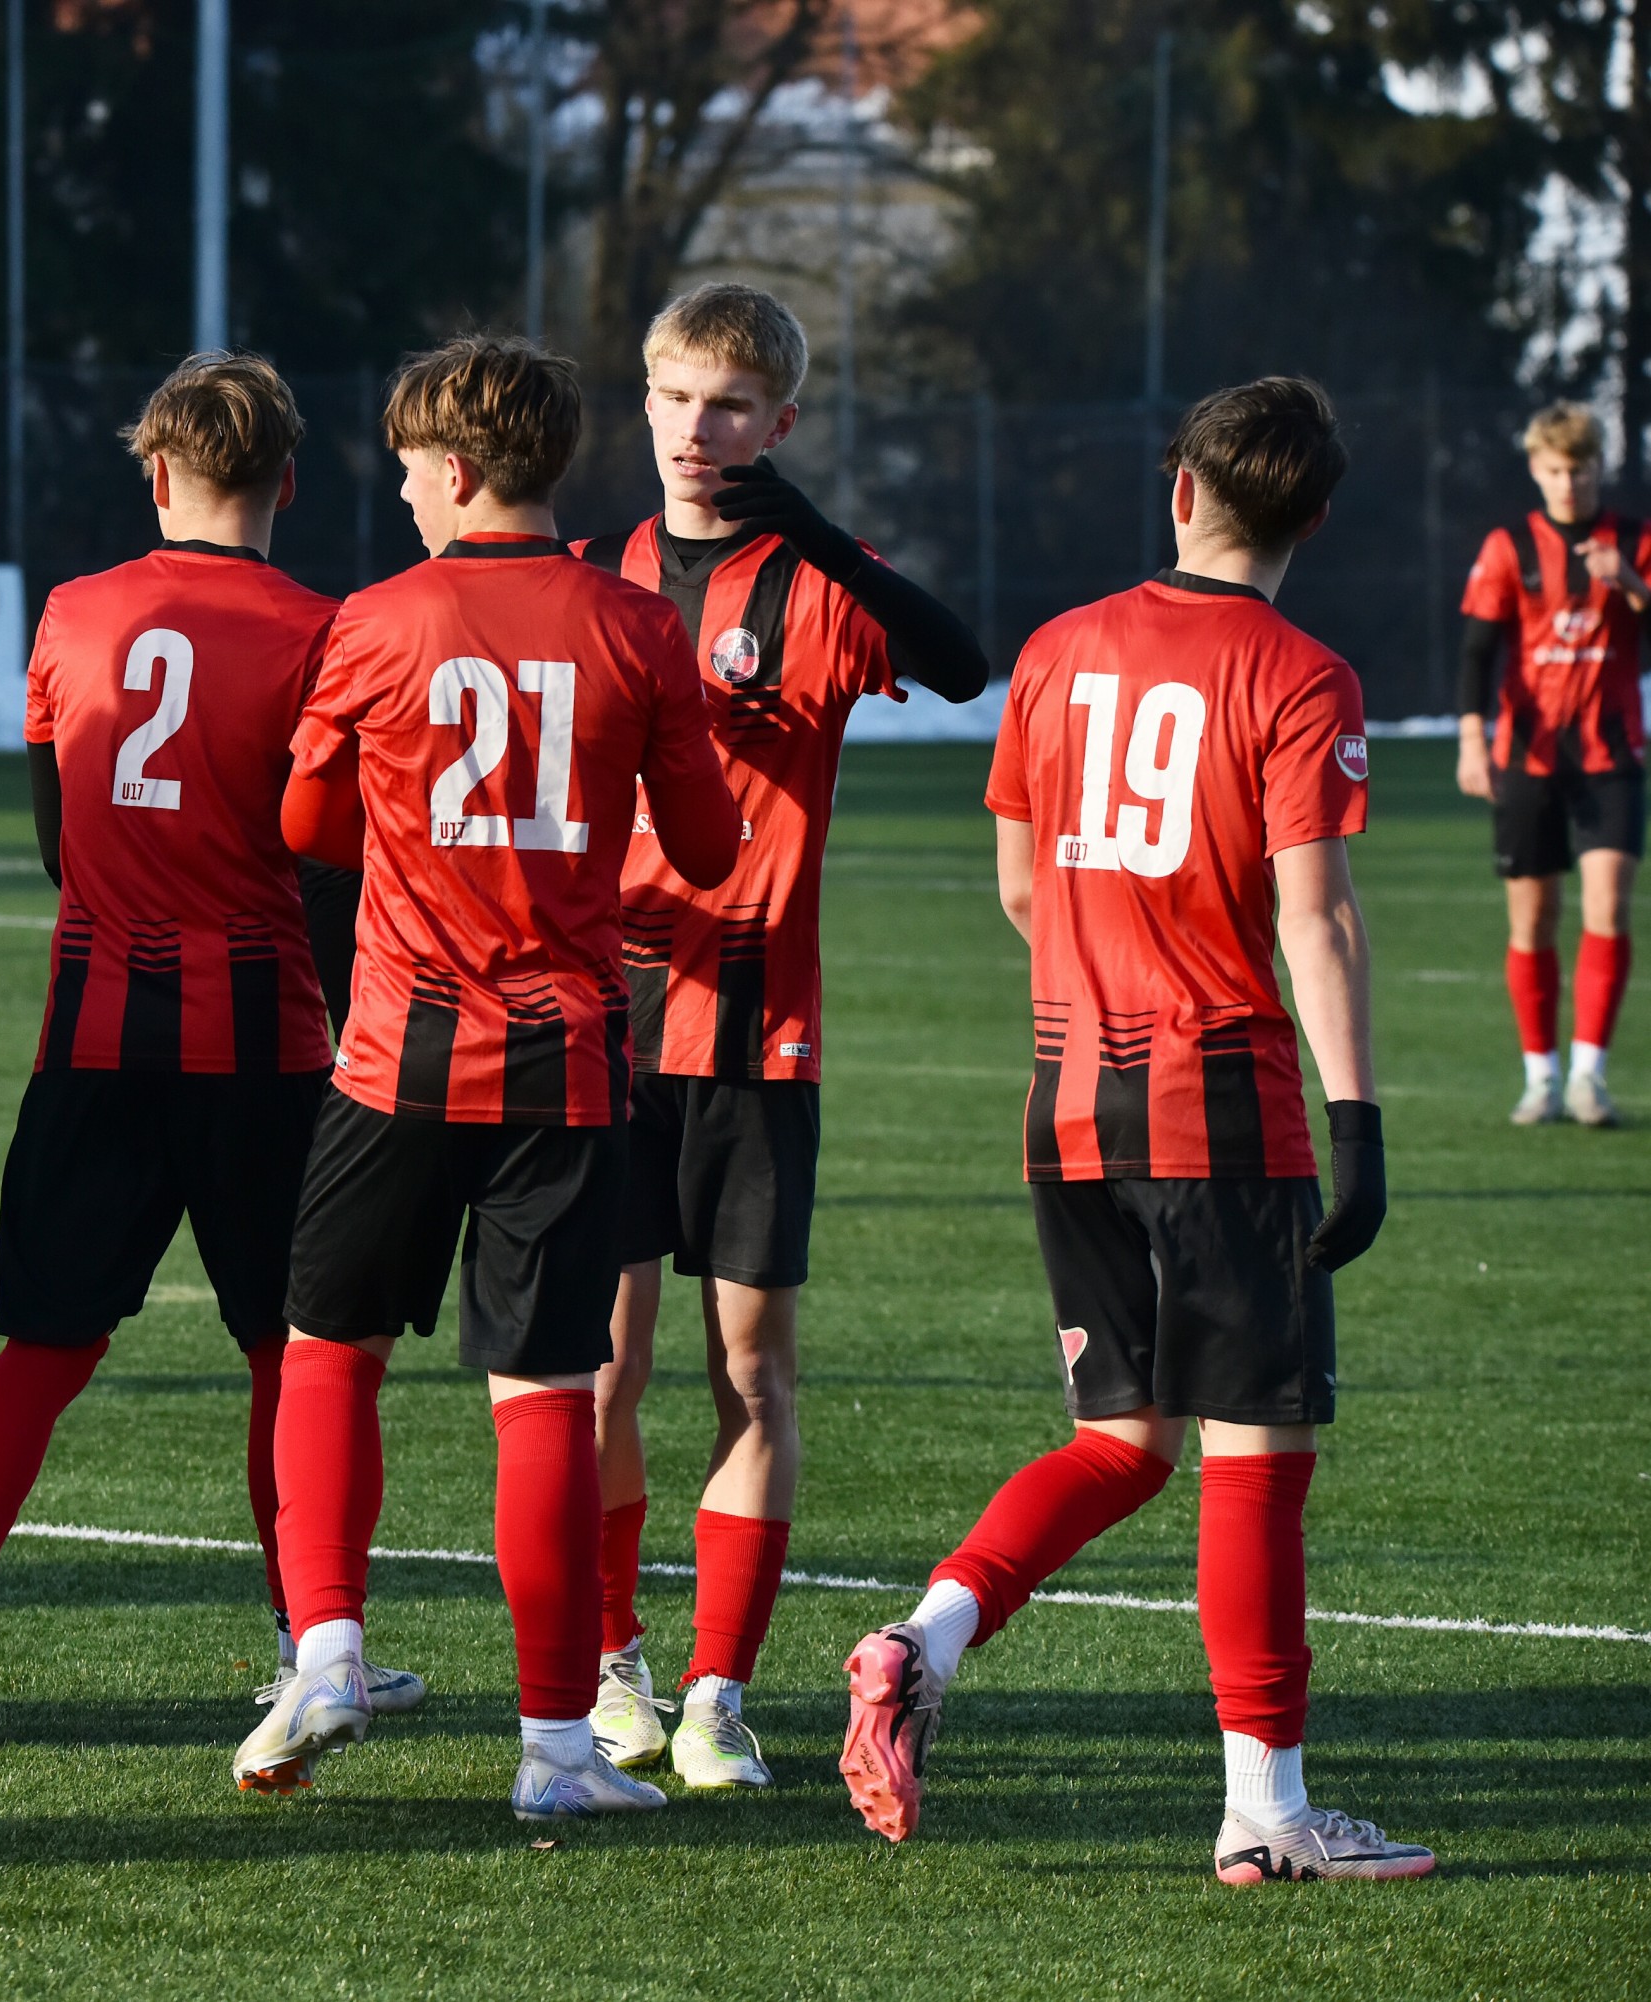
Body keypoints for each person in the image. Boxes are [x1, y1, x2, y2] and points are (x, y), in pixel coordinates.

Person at [839, 377, 1431, 1885]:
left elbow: (1026, 891)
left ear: (1178, 491)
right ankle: (1268, 1810)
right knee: (1257, 1453)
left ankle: (925, 1638)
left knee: (1119, 1439)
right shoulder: (1302, 675)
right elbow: (1316, 913)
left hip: (1066, 1096)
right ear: (1311, 518)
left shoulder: (1054, 651)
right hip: (1224, 1105)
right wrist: (1355, 1116)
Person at [236, 334, 738, 1821]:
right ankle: (556, 1753)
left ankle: (326, 1646)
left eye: (406, 470)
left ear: (455, 473)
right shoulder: (637, 624)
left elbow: (308, 816)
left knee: (328, 1352)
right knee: (542, 1403)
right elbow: (708, 850)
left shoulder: (376, 619)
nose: (400, 493)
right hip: (564, 1069)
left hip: (393, 1054)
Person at [0, 352, 421, 1748]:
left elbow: (55, 840)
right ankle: (312, 1645)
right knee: (294, 1355)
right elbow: (328, 858)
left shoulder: (72, 615)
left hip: (91, 1037)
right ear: (289, 482)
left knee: (40, 1347)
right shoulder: (328, 630)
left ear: (155, 472)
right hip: (263, 1049)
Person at [570, 282, 989, 1789]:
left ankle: (715, 1691)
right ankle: (615, 1666)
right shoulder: (589, 571)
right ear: (645, 403)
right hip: (604, 1026)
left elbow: (961, 661)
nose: (701, 430)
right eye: (678, 398)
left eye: (733, 405)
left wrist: (809, 527)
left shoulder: (815, 580)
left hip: (759, 1030)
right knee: (606, 1369)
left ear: (781, 424)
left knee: (753, 1368)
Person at [1456, 401, 1644, 1127]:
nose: (1570, 483)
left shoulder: (1635, 540)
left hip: (1612, 755)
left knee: (1608, 907)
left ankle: (1588, 1076)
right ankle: (1541, 1076)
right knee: (1533, 917)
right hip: (1527, 758)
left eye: (1582, 469)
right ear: (1536, 471)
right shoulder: (1509, 546)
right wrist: (1474, 744)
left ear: (1600, 467)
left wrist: (1628, 579)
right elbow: (1477, 654)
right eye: (1556, 471)